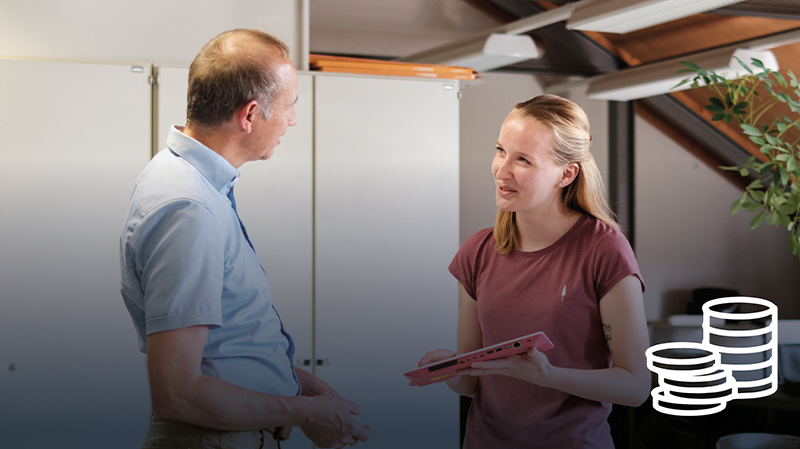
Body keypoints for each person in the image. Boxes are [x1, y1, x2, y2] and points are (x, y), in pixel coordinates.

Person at [119, 29, 370, 449]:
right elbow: (177, 391)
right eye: (290, 106)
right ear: (250, 115)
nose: (292, 119)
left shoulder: (197, 186)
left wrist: (300, 387)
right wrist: (306, 413)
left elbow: (227, 349)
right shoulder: (188, 207)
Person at [417, 95, 650, 448]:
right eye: (500, 151)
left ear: (567, 174)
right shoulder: (477, 252)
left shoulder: (604, 249)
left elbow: (634, 387)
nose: (502, 170)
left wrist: (548, 376)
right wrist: (451, 368)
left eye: (523, 159)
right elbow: (472, 384)